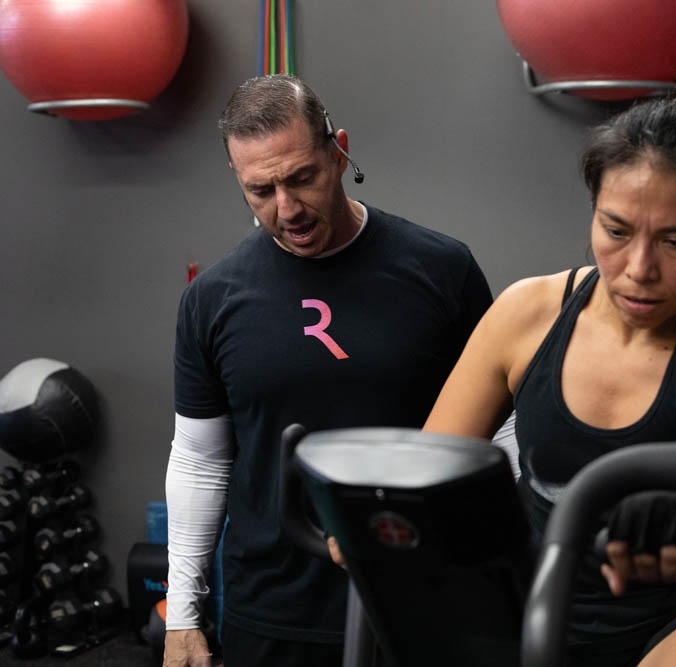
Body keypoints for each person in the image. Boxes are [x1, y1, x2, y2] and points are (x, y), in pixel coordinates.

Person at [422, 58, 676, 667]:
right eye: (617, 230)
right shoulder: (526, 314)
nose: (639, 269)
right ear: (594, 210)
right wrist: (373, 515)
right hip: (536, 597)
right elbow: (428, 470)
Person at [163, 74, 493, 667]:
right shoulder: (212, 298)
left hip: (425, 596)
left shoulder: (443, 269)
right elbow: (200, 460)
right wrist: (183, 614)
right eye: (261, 190)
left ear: (338, 152)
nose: (287, 209)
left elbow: (502, 430)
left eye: (301, 178)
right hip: (272, 607)